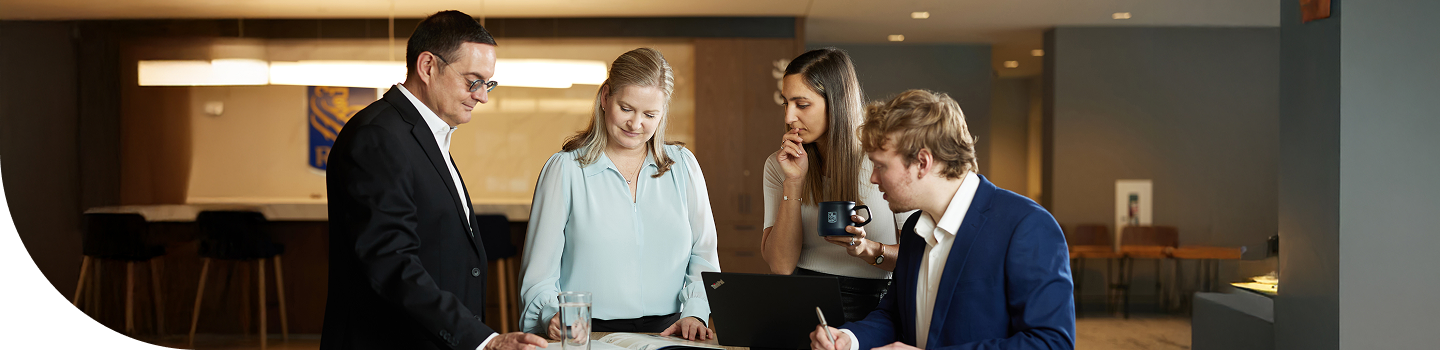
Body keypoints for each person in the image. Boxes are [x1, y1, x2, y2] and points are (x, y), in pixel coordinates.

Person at [322, 10, 548, 350]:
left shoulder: (423, 134)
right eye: (473, 80)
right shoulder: (379, 136)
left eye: (488, 84)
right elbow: (392, 262)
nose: (482, 96)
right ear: (427, 66)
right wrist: (484, 341)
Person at [809, 90, 1075, 350]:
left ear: (922, 162)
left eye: (881, 165)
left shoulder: (1027, 226)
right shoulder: (913, 229)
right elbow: (894, 316)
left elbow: (1051, 342)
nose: (873, 178)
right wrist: (849, 339)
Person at [519, 48, 720, 341]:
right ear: (605, 97)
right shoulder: (565, 170)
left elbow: (704, 255)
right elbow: (539, 276)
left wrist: (695, 311)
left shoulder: (684, 166)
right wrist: (552, 314)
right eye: (626, 109)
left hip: (671, 333)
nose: (636, 124)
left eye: (650, 114)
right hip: (588, 334)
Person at [762, 48, 906, 322]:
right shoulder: (778, 165)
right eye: (786, 103)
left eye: (802, 105)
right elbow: (780, 266)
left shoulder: (885, 159)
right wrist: (793, 183)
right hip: (799, 298)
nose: (789, 117)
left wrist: (867, 250)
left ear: (837, 102)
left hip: (871, 304)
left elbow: (920, 259)